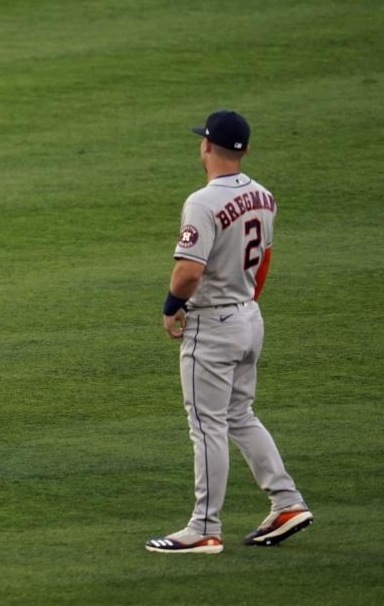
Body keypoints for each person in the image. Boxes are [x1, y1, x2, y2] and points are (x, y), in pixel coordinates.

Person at [145, 111, 313, 554]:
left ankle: (204, 527)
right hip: (248, 317)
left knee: (207, 425)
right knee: (239, 415)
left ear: (205, 147)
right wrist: (244, 303)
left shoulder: (203, 201)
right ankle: (287, 502)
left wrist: (170, 308)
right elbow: (266, 260)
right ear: (245, 151)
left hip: (213, 325)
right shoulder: (264, 195)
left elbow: (187, 273)